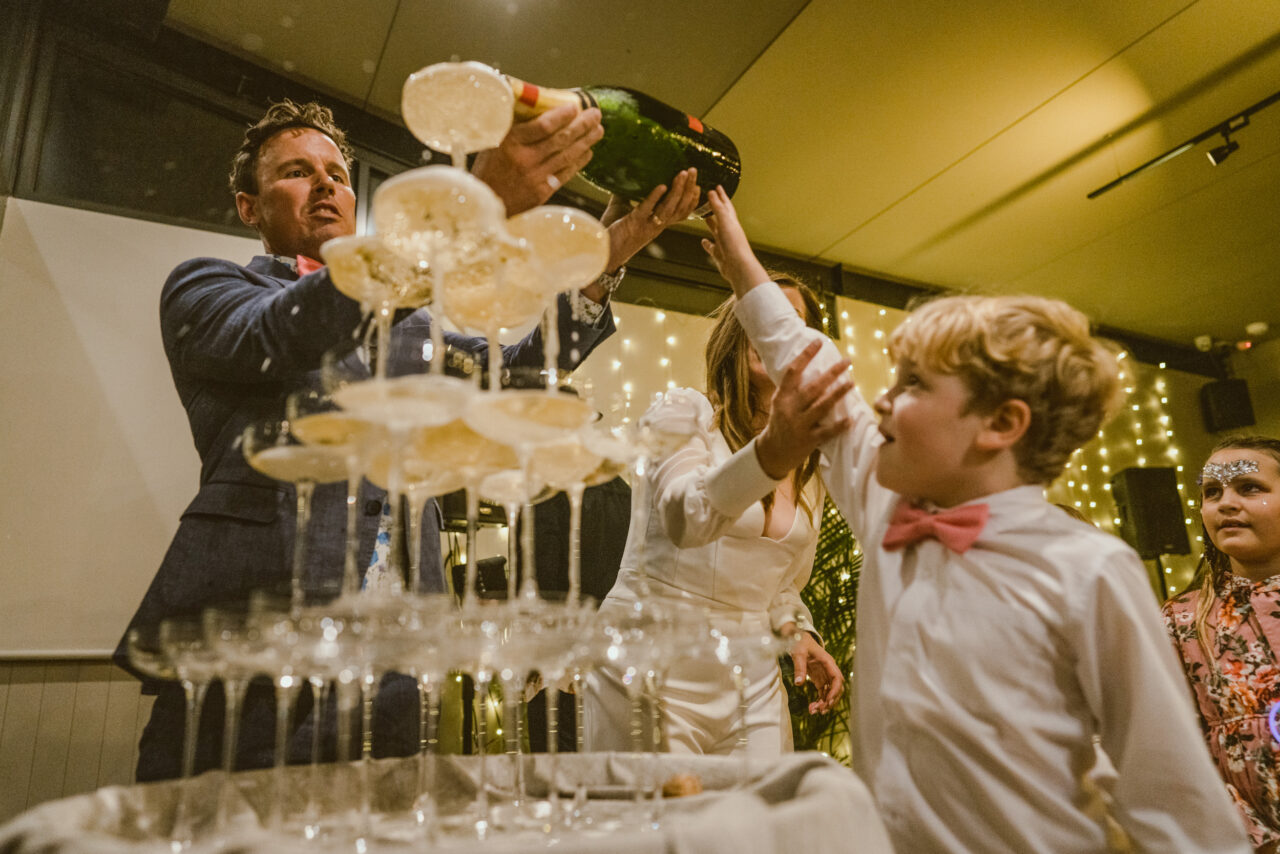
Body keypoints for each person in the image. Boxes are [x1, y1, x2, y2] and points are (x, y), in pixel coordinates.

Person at [118, 98, 699, 781]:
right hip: (251, 643)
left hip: (396, 659)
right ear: (250, 207)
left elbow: (518, 376)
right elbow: (281, 334)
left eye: (336, 172)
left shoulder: (408, 325)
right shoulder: (209, 287)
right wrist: (466, 202)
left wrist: (602, 257)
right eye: (298, 172)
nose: (327, 183)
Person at [699, 185, 1250, 852]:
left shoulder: (1087, 569)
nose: (882, 402)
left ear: (999, 424)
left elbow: (1176, 799)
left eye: (913, 386)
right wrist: (738, 263)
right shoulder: (887, 502)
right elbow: (810, 367)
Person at [583, 275, 846, 757]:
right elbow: (687, 517)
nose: (771, 331)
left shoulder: (809, 467)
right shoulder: (684, 415)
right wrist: (772, 451)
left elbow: (781, 585)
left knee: (756, 823)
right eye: (760, 317)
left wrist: (796, 633)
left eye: (788, 323)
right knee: (663, 825)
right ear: (735, 332)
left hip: (753, 679)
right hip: (650, 662)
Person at [1162, 436, 1280, 852]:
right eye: (1212, 492)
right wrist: (1252, 838)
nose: (1226, 502)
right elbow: (1176, 745)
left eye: (1249, 487)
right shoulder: (1181, 621)